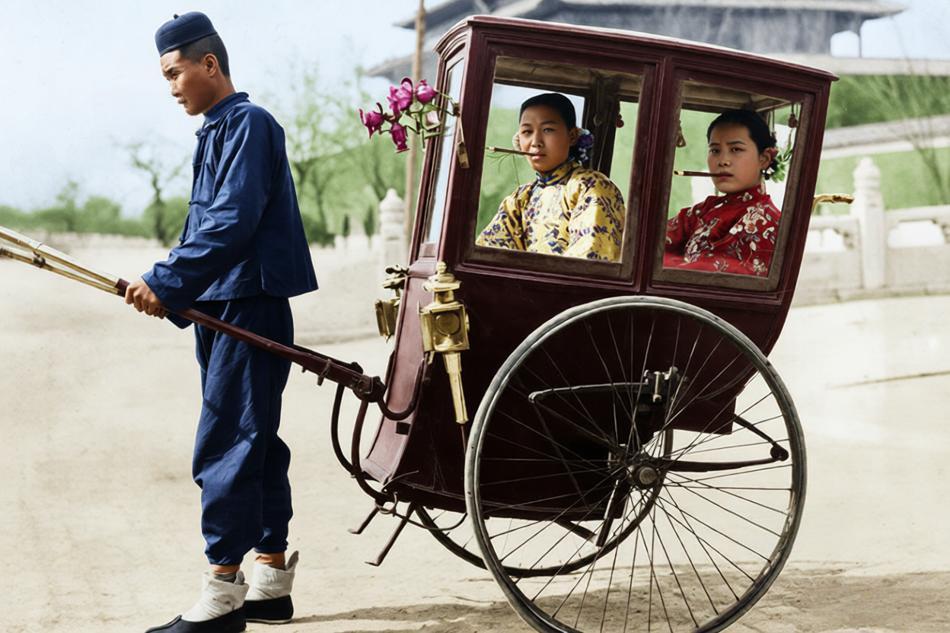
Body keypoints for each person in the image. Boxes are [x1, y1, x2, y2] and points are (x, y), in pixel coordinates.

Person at [124, 12, 318, 633]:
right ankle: (270, 582)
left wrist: (166, 281)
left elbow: (231, 222)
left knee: (230, 442)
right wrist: (170, 289)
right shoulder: (217, 131)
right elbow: (207, 230)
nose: (172, 86)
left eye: (176, 72)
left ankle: (222, 593)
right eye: (166, 77)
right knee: (254, 438)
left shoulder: (250, 125)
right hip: (222, 305)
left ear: (210, 64)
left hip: (250, 303)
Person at [476, 93, 626, 262]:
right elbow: (488, 254)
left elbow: (588, 262)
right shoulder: (521, 198)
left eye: (548, 130)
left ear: (572, 136)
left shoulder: (591, 187)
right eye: (527, 132)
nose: (535, 142)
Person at [663, 109, 782, 276]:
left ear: (764, 159)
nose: (723, 161)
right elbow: (656, 242)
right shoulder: (706, 209)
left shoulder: (763, 221)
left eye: (736, 150)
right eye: (715, 151)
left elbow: (709, 274)